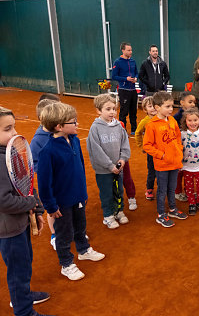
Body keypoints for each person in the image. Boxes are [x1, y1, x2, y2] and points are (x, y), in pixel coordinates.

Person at [38, 102, 105, 281]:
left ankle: (83, 250)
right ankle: (66, 264)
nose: (77, 124)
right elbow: (44, 184)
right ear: (59, 127)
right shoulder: (48, 151)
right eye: (73, 122)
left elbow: (81, 168)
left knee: (80, 226)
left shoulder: (74, 140)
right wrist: (51, 206)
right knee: (64, 234)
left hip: (78, 197)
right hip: (61, 203)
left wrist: (82, 193)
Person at [0, 107, 52, 316]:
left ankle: (23, 295)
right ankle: (23, 311)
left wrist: (37, 208)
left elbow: (26, 183)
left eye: (14, 126)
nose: (14, 133)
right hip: (9, 230)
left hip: (19, 223)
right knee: (18, 270)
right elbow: (4, 201)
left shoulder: (9, 152)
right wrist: (31, 203)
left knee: (25, 262)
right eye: (7, 128)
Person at [143, 91, 188, 227]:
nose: (171, 109)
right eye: (167, 106)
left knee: (172, 188)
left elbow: (178, 136)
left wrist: (179, 148)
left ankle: (172, 209)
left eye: (171, 106)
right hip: (162, 165)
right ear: (157, 107)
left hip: (175, 162)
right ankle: (161, 214)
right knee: (162, 190)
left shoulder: (173, 120)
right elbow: (147, 146)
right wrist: (161, 155)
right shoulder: (152, 125)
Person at [86, 94, 131, 229]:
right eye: (108, 109)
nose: (112, 112)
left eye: (114, 109)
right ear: (99, 111)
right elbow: (96, 151)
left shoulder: (119, 127)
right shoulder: (95, 128)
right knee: (107, 193)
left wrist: (123, 159)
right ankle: (108, 216)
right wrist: (110, 166)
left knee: (118, 191)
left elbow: (125, 144)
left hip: (119, 168)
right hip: (103, 171)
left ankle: (118, 211)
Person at [30, 96, 59, 251]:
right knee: (53, 209)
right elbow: (33, 164)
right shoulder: (37, 141)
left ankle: (71, 230)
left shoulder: (59, 133)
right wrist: (47, 170)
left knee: (67, 207)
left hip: (63, 180)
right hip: (50, 182)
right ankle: (55, 235)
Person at [173, 91, 197, 202]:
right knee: (179, 172)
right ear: (182, 103)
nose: (193, 104)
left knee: (188, 172)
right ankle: (177, 192)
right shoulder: (176, 117)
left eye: (194, 102)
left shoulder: (195, 115)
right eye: (190, 102)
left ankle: (189, 191)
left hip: (191, 150)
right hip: (179, 150)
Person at [112, 42, 138, 135]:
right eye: (128, 50)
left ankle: (134, 130)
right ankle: (123, 131)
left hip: (133, 90)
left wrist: (135, 78)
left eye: (131, 50)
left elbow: (136, 73)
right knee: (124, 112)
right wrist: (125, 79)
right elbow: (114, 76)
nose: (130, 52)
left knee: (133, 112)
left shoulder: (133, 61)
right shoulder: (117, 62)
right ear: (123, 50)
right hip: (123, 90)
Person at [135, 96, 157, 201]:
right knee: (152, 172)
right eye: (150, 106)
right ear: (145, 109)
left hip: (162, 151)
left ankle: (163, 188)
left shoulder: (162, 119)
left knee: (162, 171)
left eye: (154, 106)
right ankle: (149, 189)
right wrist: (142, 146)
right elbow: (138, 133)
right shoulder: (144, 122)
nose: (153, 108)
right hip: (151, 153)